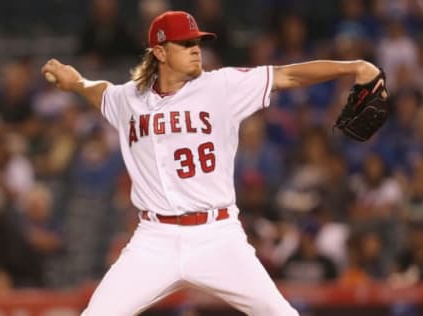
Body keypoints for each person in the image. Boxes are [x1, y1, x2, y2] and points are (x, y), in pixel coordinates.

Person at [41, 10, 383, 316]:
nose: (195, 48)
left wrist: (352, 67)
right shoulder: (129, 99)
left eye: (198, 41)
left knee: (278, 312)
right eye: (185, 43)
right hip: (153, 239)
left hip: (217, 236)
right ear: (159, 52)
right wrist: (76, 83)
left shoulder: (222, 86)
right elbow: (101, 93)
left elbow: (287, 76)